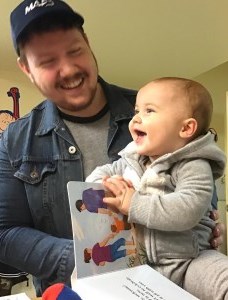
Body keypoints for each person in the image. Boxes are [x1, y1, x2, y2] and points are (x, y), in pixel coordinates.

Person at [0, 0, 224, 297]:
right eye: (47, 61)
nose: (68, 69)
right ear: (26, 69)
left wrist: (202, 227)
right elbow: (6, 235)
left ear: (88, 44)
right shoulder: (13, 140)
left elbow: (199, 194)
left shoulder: (158, 111)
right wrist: (90, 258)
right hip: (72, 289)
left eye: (75, 51)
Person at [86, 77, 228, 299]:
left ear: (186, 128)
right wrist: (105, 184)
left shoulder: (195, 165)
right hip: (138, 265)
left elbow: (189, 209)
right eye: (136, 111)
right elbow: (98, 175)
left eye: (149, 111)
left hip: (189, 261)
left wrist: (134, 203)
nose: (135, 119)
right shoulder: (130, 160)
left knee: (222, 277)